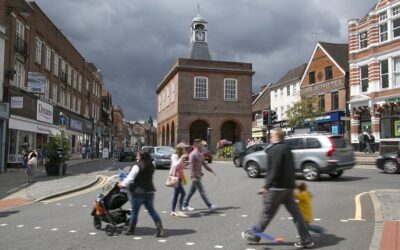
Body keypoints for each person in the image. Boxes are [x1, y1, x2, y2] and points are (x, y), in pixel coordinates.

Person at [242, 128, 313, 248]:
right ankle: (306, 239)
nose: (270, 138)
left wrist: (266, 186)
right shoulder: (287, 149)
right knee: (297, 214)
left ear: (276, 137)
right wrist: (293, 184)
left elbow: (274, 169)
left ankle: (254, 235)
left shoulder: (275, 150)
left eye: (271, 136)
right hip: (288, 188)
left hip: (276, 188)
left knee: (267, 213)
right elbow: (291, 168)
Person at [118, 151, 164, 237]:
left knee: (135, 212)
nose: (136, 157)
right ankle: (160, 229)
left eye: (138, 156)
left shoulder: (137, 166)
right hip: (150, 191)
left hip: (138, 193)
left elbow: (129, 178)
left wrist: (122, 184)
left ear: (142, 157)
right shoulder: (151, 166)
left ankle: (130, 230)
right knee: (152, 211)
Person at [182, 139, 217, 211]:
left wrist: (211, 170)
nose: (202, 145)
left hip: (199, 175)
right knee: (202, 191)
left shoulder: (200, 154)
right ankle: (210, 205)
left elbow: (204, 164)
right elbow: (191, 167)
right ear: (196, 145)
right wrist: (193, 176)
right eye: (200, 144)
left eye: (202, 144)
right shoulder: (193, 154)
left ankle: (185, 205)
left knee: (191, 191)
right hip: (195, 176)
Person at [169, 143, 189, 217]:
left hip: (179, 178)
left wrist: (186, 162)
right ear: (180, 150)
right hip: (175, 178)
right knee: (183, 193)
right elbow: (175, 165)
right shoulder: (175, 156)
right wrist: (181, 158)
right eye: (184, 149)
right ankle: (179, 210)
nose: (185, 150)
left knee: (176, 195)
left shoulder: (180, 156)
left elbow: (180, 167)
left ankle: (173, 211)